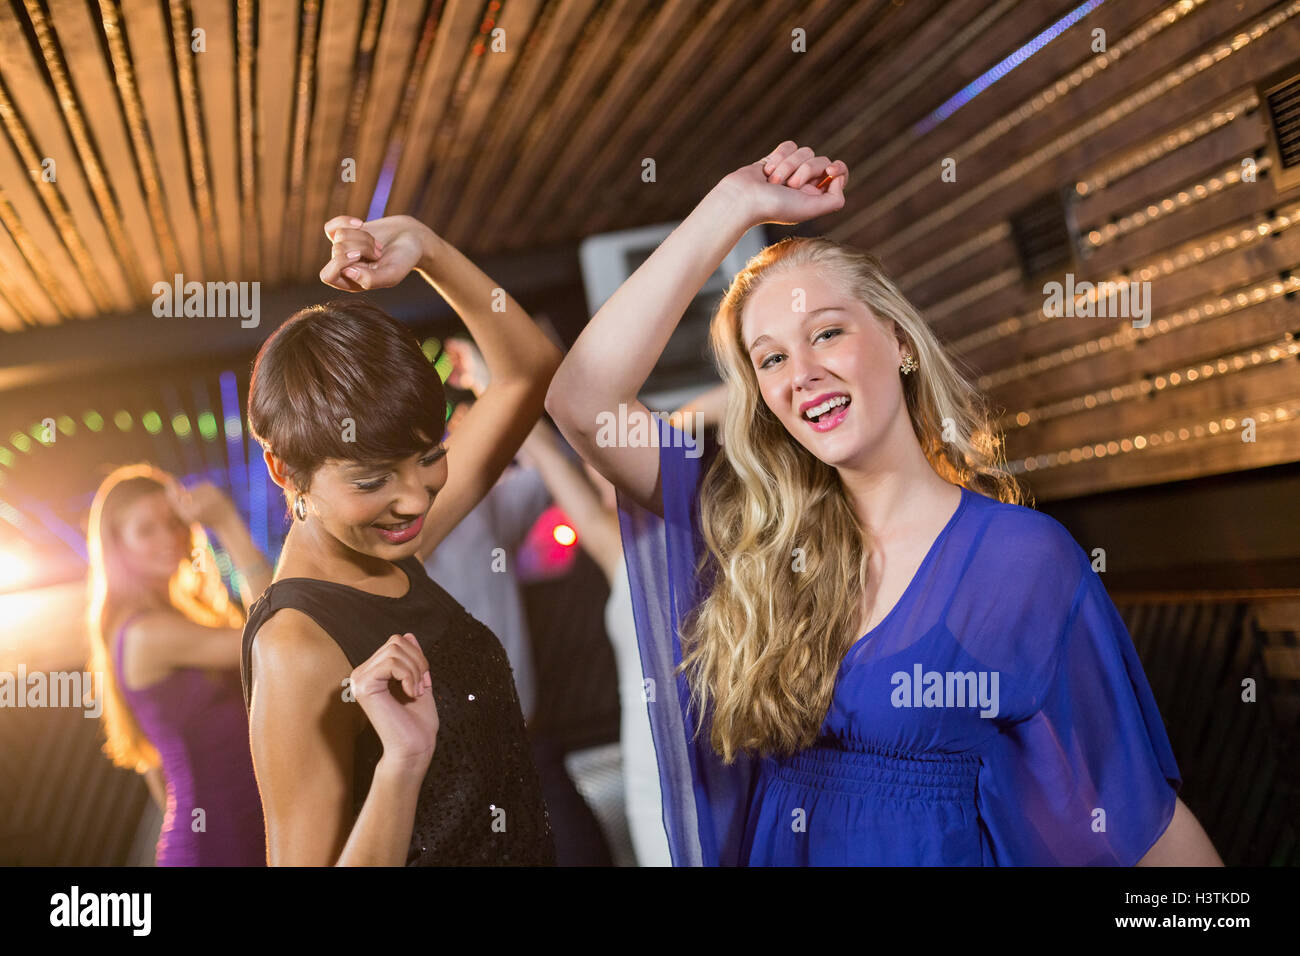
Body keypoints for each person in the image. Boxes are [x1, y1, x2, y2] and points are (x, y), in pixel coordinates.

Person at [545, 141, 1222, 866]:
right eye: (771, 358)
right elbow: (582, 400)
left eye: (827, 333)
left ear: (897, 340)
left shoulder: (1021, 559)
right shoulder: (755, 529)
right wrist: (732, 205)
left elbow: (1132, 811)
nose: (802, 373)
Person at [240, 214, 560, 866]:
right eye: (372, 477)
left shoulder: (393, 546)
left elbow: (528, 373)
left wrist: (428, 248)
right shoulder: (295, 644)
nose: (416, 497)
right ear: (284, 470)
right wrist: (402, 767)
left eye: (429, 455)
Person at [86, 464, 270, 866]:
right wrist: (228, 524)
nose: (169, 538)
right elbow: (274, 639)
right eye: (146, 529)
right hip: (221, 844)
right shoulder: (145, 633)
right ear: (117, 545)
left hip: (237, 832)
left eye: (173, 523)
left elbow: (156, 772)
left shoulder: (172, 618)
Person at [516, 419, 672, 866]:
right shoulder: (626, 550)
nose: (600, 484)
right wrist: (494, 387)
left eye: (610, 466)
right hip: (651, 771)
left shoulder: (727, 542)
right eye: (592, 470)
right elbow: (549, 458)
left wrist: (683, 419)